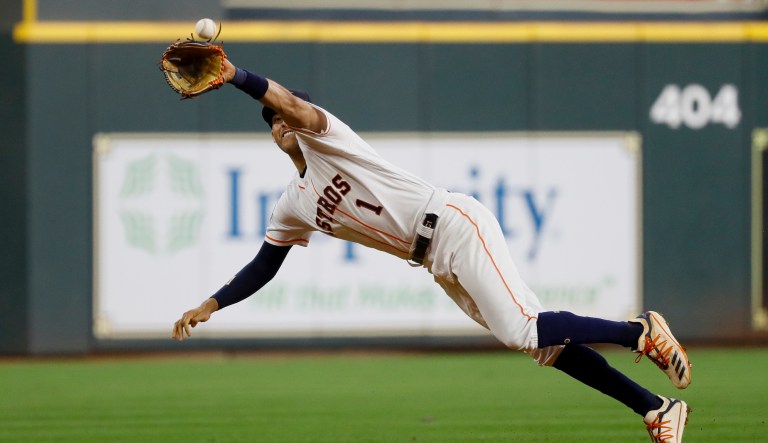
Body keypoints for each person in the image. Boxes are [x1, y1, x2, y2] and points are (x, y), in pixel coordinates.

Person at [171, 58, 692, 442]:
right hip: (433, 260)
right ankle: (656, 410)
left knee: (523, 327)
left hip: (453, 224)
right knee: (543, 346)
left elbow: (287, 103)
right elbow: (266, 263)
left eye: (280, 115)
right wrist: (212, 304)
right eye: (271, 124)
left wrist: (239, 78)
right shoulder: (292, 204)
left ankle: (638, 331)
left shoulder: (329, 138)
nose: (278, 124)